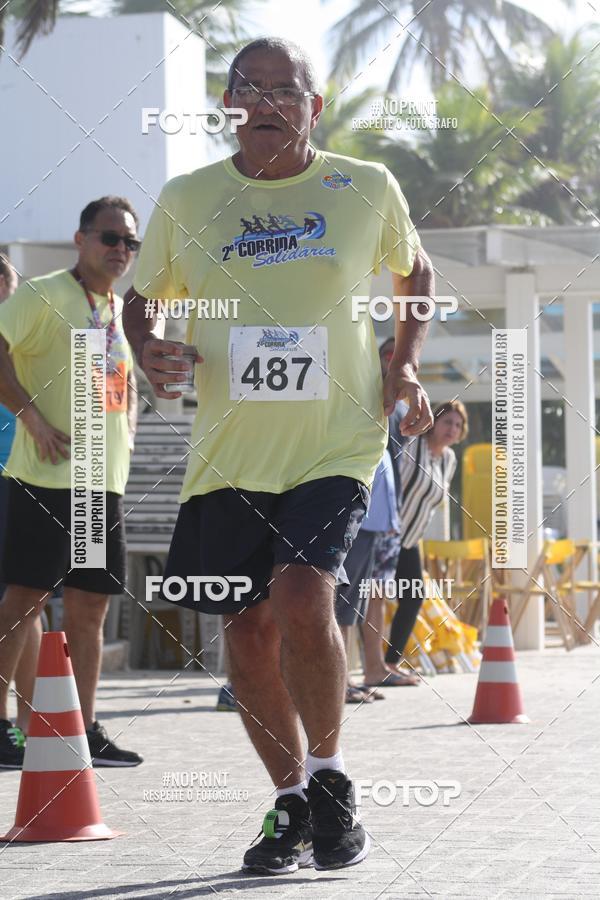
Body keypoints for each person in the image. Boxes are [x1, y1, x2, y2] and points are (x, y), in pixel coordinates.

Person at [123, 37, 434, 875]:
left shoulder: (365, 188)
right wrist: (150, 348)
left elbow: (417, 273)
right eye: (247, 90)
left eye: (283, 91)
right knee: (246, 629)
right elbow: (141, 303)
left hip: (337, 438)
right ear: (228, 104)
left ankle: (331, 780)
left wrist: (401, 362)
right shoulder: (189, 198)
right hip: (229, 453)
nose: (265, 104)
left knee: (303, 592)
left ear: (313, 106)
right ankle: (291, 798)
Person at [0, 197, 143, 768]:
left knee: (91, 607)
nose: (120, 250)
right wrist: (31, 416)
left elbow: (121, 387)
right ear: (81, 239)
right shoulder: (42, 294)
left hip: (98, 484)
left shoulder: (115, 310)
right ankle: (3, 725)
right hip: (45, 477)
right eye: (110, 238)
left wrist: (125, 442)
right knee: (25, 601)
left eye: (130, 243)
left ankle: (81, 729)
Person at [385, 400, 469, 668]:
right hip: (387, 536)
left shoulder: (449, 460)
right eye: (447, 422)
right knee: (367, 596)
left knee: (412, 597)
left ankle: (390, 663)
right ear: (433, 422)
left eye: (458, 424)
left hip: (411, 541)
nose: (452, 429)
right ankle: (371, 665)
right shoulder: (412, 445)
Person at [334, 449, 399, 703]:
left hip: (372, 527)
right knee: (342, 605)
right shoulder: (359, 426)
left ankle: (345, 679)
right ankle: (340, 682)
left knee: (351, 608)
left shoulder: (376, 431)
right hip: (357, 524)